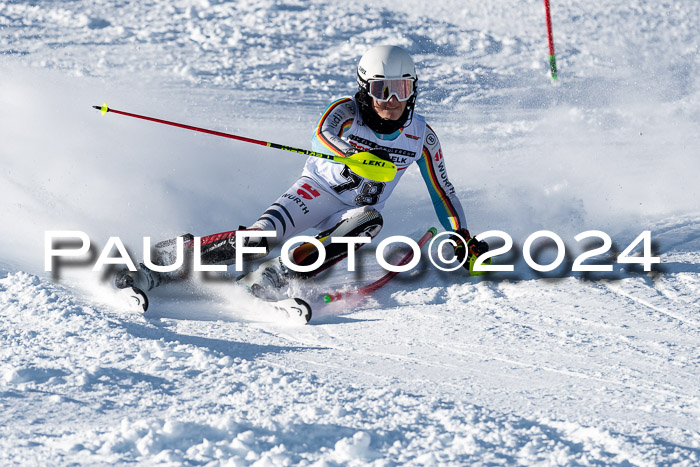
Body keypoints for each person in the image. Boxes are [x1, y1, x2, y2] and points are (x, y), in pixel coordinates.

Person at [119, 45, 488, 298]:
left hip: (350, 212)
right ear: (365, 89)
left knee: (369, 220)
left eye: (402, 90)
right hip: (314, 192)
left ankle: (276, 274)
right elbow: (323, 133)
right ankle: (166, 262)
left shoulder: (421, 136)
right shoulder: (347, 111)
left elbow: (442, 191)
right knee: (258, 239)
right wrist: (356, 154)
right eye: (382, 90)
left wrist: (462, 236)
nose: (392, 102)